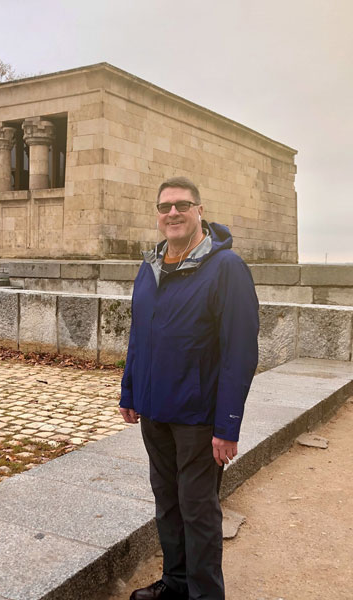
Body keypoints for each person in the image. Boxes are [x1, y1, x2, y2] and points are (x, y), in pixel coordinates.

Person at [119, 176, 259, 600]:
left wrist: (228, 425)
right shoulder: (150, 266)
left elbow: (240, 352)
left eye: (182, 205)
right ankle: (176, 583)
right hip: (155, 410)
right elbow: (140, 335)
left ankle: (204, 594)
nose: (173, 213)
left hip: (198, 416)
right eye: (165, 207)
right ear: (158, 215)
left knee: (198, 511)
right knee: (167, 504)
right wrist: (130, 391)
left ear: (200, 211)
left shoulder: (226, 268)